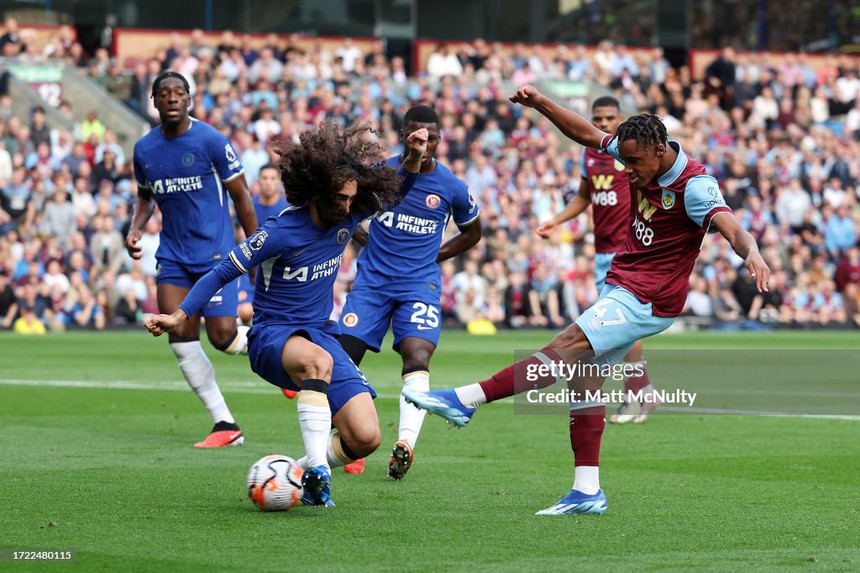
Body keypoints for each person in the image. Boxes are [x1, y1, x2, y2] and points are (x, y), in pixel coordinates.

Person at [403, 84, 770, 516]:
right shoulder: (636, 148)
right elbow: (584, 133)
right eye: (624, 160)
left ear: (658, 151)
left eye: (633, 163)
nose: (626, 170)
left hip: (648, 297)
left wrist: (753, 254)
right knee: (584, 378)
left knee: (568, 343)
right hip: (623, 281)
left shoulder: (695, 186)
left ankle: (466, 399)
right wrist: (541, 104)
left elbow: (731, 227)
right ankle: (587, 491)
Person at [145, 121, 428, 507]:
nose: (347, 206)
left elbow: (398, 189)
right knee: (318, 362)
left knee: (365, 437)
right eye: (339, 198)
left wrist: (413, 157)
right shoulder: (280, 231)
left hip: (320, 333)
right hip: (272, 335)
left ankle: (293, 474)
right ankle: (319, 472)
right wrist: (180, 315)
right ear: (316, 191)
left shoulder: (347, 215)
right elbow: (222, 271)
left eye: (351, 198)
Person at [338, 105, 482, 480]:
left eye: (431, 138)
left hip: (419, 284)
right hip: (373, 282)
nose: (424, 144)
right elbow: (346, 211)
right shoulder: (379, 175)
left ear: (439, 140)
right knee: (344, 359)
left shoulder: (452, 187)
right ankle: (349, 440)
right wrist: (364, 239)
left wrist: (436, 255)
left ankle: (405, 443)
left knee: (417, 356)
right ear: (403, 136)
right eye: (417, 136)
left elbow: (473, 232)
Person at [126, 71, 259, 448]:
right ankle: (225, 424)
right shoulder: (144, 149)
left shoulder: (212, 140)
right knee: (180, 335)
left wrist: (255, 250)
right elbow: (145, 197)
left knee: (223, 337)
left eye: (178, 92)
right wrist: (135, 228)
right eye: (163, 93)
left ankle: (279, 349)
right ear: (154, 101)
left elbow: (242, 197)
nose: (171, 98)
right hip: (173, 257)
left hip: (215, 255)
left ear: (189, 99)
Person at [536, 96, 660, 424]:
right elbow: (584, 197)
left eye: (609, 118)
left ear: (620, 118)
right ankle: (643, 392)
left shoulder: (630, 154)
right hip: (603, 252)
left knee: (619, 324)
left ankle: (634, 394)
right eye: (598, 119)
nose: (603, 124)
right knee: (620, 325)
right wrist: (556, 221)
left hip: (628, 251)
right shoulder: (588, 154)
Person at [237, 163, 289, 325]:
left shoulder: (286, 210)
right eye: (265, 178)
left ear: (279, 181)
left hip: (277, 270)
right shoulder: (248, 206)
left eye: (272, 178)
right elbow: (240, 236)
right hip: (250, 267)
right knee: (245, 311)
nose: (268, 182)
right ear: (258, 180)